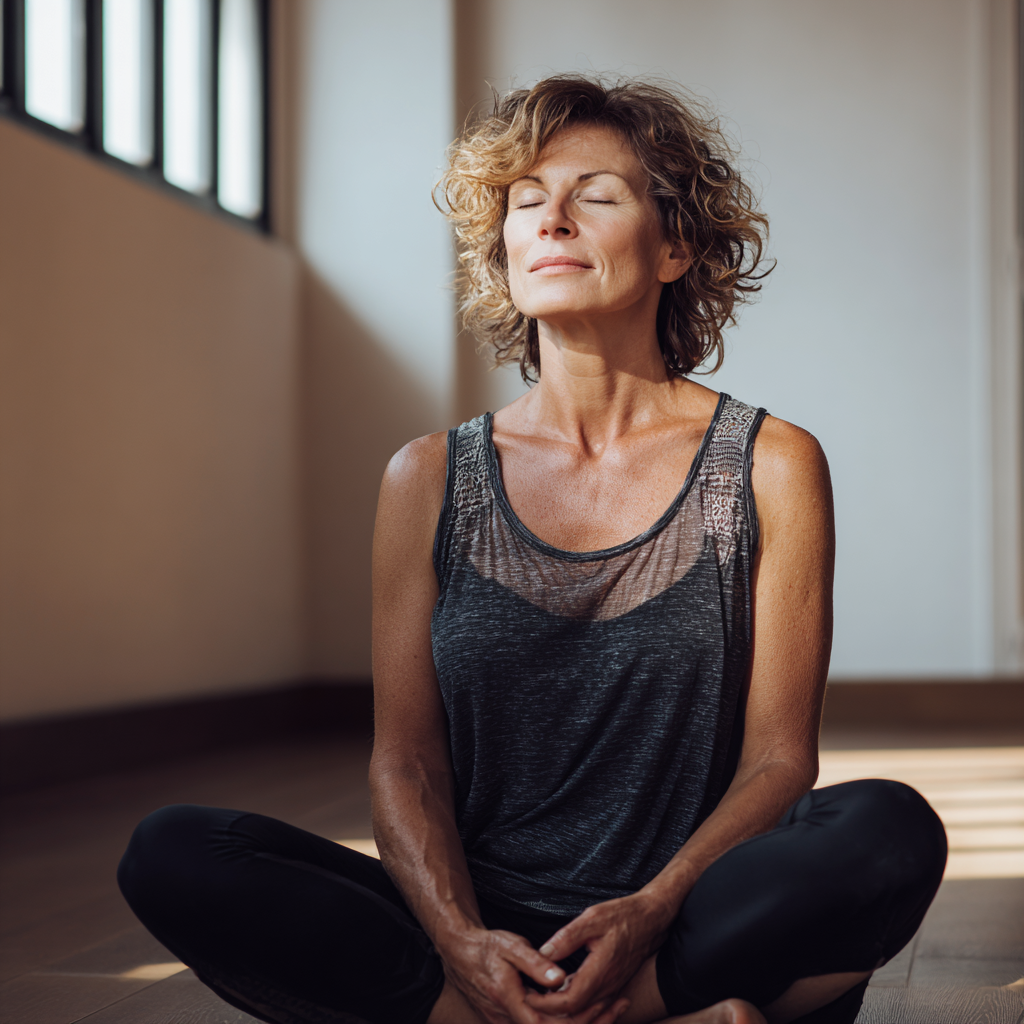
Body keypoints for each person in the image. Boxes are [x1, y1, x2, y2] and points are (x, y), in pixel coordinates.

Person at [118, 76, 947, 1024]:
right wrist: (461, 942)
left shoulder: (769, 464)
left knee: (889, 829)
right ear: (503, 247)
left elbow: (778, 764)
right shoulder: (427, 477)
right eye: (525, 201)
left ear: (676, 246)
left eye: (595, 195)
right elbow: (406, 766)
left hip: (687, 916)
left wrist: (648, 912)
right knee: (174, 849)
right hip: (484, 929)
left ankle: (618, 1005)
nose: (551, 219)